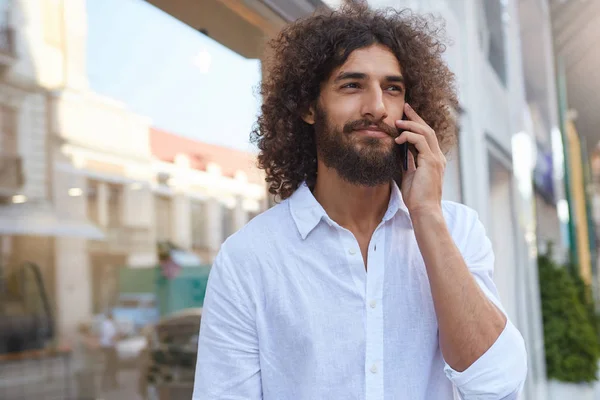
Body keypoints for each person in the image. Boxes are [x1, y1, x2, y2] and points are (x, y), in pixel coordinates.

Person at [193, 3, 527, 400]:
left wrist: (426, 215)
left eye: (392, 88)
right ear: (307, 106)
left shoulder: (456, 229)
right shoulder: (249, 258)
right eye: (352, 85)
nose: (377, 107)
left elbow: (498, 384)